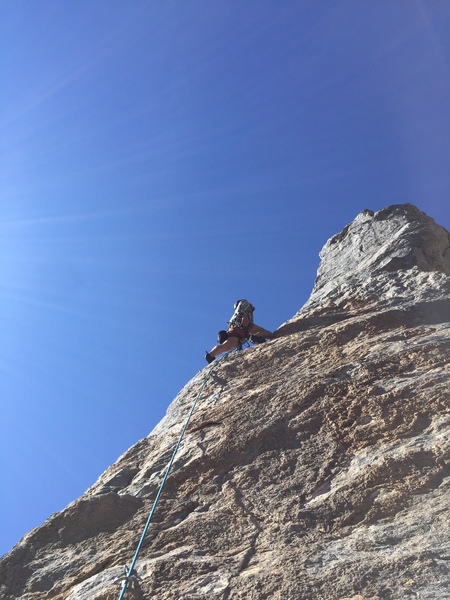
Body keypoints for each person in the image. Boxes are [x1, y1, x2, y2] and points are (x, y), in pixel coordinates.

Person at [205, 299, 274, 363]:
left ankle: (211, 355)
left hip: (237, 331)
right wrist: (244, 316)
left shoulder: (236, 314)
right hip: (243, 326)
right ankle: (256, 337)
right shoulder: (243, 303)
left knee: (226, 346)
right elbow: (241, 308)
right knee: (269, 334)